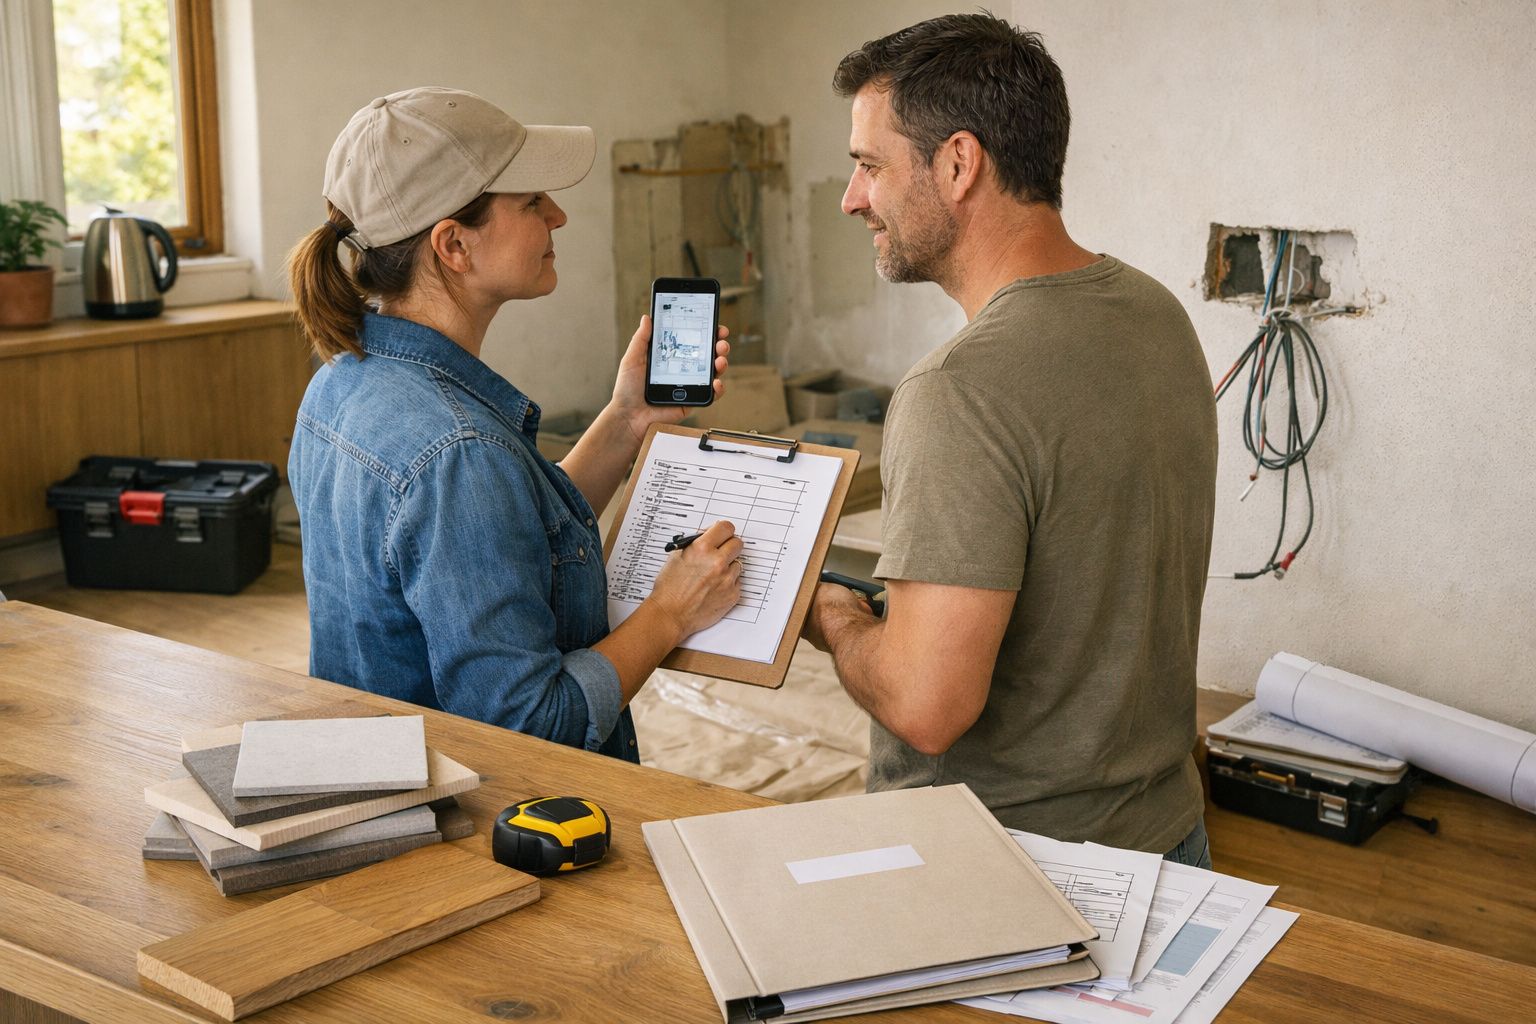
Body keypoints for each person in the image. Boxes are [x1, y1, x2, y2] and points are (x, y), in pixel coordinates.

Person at [805, 15, 1219, 866]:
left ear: (958, 164)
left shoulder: (959, 388)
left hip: (1014, 873)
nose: (853, 198)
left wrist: (834, 617)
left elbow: (928, 706)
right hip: (1168, 839)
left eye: (869, 165)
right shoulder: (1154, 313)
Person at [287, 87, 742, 763]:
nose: (557, 214)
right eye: (531, 202)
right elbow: (532, 724)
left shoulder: (341, 383)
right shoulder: (457, 451)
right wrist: (670, 612)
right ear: (454, 246)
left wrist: (626, 419)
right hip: (493, 822)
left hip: (377, 771)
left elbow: (501, 540)